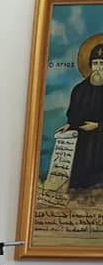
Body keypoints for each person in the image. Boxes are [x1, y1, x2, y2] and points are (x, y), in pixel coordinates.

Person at [57, 42, 103, 190]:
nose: (98, 68)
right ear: (90, 66)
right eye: (95, 63)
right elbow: (74, 113)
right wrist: (69, 124)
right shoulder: (79, 90)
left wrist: (98, 126)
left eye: (102, 63)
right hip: (84, 140)